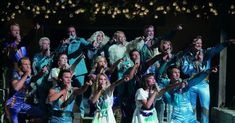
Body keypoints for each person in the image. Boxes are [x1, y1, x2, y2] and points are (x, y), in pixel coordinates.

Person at [180, 36, 235, 123]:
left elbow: (216, 49)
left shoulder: (206, 52)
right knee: (191, 109)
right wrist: (196, 62)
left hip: (204, 84)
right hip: (191, 85)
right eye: (197, 43)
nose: (199, 45)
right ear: (192, 44)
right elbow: (185, 70)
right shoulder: (186, 56)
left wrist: (226, 43)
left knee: (205, 109)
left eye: (200, 43)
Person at [57, 26, 98, 117]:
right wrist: (63, 44)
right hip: (66, 71)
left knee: (79, 91)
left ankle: (81, 112)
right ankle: (67, 112)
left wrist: (93, 44)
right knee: (66, 91)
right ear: (67, 33)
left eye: (73, 31)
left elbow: (89, 45)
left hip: (78, 70)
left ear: (75, 32)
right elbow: (58, 53)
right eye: (69, 32)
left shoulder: (80, 40)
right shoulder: (64, 42)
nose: (71, 33)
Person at [5, 57, 45, 123]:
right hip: (12, 104)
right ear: (20, 66)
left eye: (29, 64)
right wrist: (26, 74)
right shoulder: (15, 74)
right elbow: (16, 88)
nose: (28, 66)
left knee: (41, 114)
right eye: (25, 64)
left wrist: (41, 73)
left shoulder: (27, 75)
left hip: (21, 103)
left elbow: (33, 79)